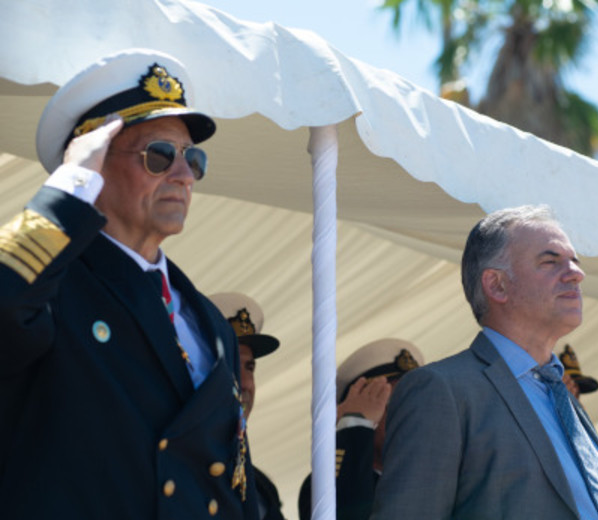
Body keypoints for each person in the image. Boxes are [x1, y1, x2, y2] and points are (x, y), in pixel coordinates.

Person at [0, 49, 259, 519]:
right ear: (94, 165)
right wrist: (68, 188)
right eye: (159, 156)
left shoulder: (208, 322)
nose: (184, 176)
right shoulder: (50, 289)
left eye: (192, 158)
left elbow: (230, 482)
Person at [371, 205, 598, 520]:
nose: (576, 273)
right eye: (550, 261)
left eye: (574, 262)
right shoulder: (441, 390)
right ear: (497, 285)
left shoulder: (561, 396)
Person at [298, 338, 423, 520]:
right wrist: (355, 428)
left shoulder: (432, 480)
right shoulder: (322, 485)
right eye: (393, 404)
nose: (410, 416)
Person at [210, 292, 286, 520]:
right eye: (232, 362)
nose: (246, 383)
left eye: (250, 367)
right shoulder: (166, 463)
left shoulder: (261, 488)